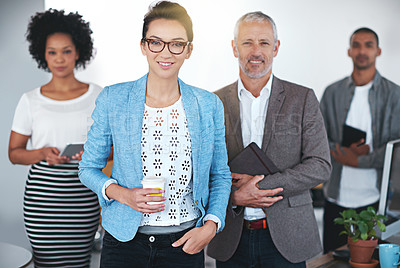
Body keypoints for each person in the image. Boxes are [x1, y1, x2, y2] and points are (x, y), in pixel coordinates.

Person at [78, 1, 231, 267]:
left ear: (188, 50)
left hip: (184, 242)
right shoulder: (113, 99)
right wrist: (124, 194)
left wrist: (211, 224)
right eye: (156, 42)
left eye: (177, 44)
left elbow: (220, 175)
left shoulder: (208, 105)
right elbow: (88, 168)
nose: (166, 52)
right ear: (143, 46)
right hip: (123, 243)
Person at [207, 11, 331, 267]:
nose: (256, 51)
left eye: (264, 43)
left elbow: (320, 165)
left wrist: (259, 187)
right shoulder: (212, 103)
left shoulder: (303, 99)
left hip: (288, 240)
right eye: (247, 42)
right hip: (232, 237)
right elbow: (201, 169)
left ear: (275, 48)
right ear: (234, 48)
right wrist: (234, 196)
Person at [8, 9, 102, 268]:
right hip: (42, 200)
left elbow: (117, 149)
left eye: (66, 50)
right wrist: (41, 153)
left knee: (79, 262)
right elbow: (14, 153)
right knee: (46, 263)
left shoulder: (98, 96)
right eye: (52, 52)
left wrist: (92, 153)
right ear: (43, 54)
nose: (59, 58)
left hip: (83, 196)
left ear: (79, 51)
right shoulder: (30, 100)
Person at [320, 27, 400, 253]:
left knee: (370, 261)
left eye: (368, 45)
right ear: (349, 51)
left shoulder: (394, 94)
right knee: (332, 259)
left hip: (376, 200)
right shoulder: (332, 92)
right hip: (336, 196)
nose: (362, 51)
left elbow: (396, 149)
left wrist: (360, 160)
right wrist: (344, 153)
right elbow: (316, 140)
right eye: (356, 45)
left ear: (378, 51)